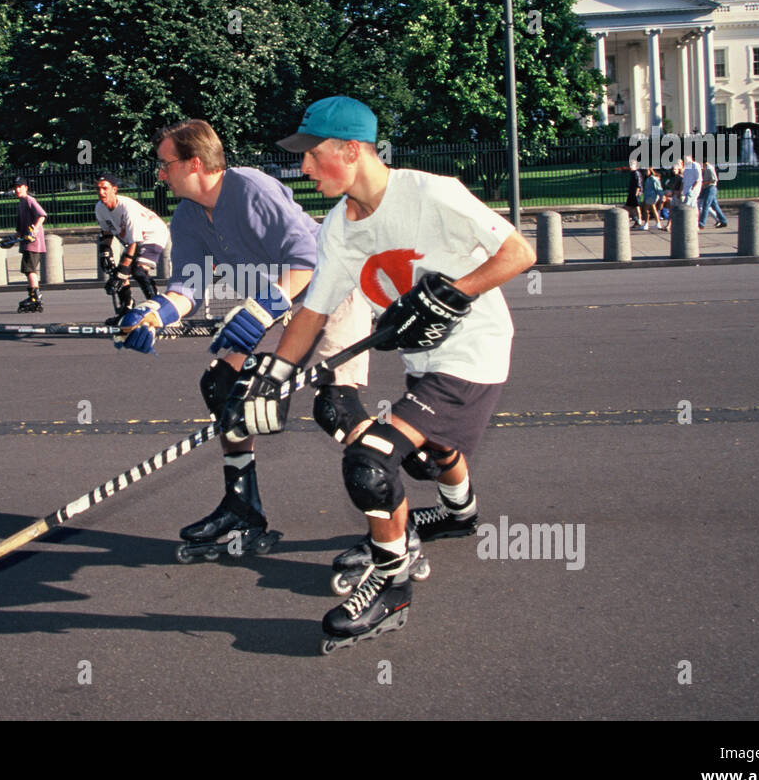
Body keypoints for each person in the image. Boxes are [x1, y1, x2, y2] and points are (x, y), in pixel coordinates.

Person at [220, 96, 536, 653]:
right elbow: (315, 311)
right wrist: (271, 375)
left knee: (370, 463)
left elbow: (519, 253)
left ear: (351, 150)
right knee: (429, 449)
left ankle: (391, 586)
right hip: (426, 359)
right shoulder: (340, 227)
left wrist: (455, 292)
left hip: (475, 352)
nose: (306, 168)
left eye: (314, 156)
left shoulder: (430, 193)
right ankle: (460, 513)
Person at [116, 117, 372, 563]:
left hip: (333, 292)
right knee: (221, 386)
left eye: (165, 163)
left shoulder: (252, 188)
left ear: (194, 163)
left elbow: (308, 259)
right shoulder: (189, 214)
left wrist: (259, 310)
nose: (160, 173)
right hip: (278, 301)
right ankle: (242, 509)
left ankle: (392, 522)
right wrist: (154, 315)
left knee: (336, 410)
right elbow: (188, 289)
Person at [94, 173, 170, 321]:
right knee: (116, 270)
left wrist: (122, 272)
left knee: (137, 270)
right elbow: (107, 232)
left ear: (114, 189)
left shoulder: (127, 208)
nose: (101, 192)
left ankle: (158, 307)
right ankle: (126, 307)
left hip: (152, 234)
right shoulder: (100, 208)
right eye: (98, 189)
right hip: (132, 239)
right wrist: (104, 251)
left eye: (105, 188)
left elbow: (134, 243)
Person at [12, 177, 47, 313]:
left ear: (26, 187)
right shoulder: (21, 204)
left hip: (34, 243)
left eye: (19, 186)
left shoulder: (29, 200)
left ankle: (35, 298)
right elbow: (20, 230)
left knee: (29, 269)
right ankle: (34, 296)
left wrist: (35, 230)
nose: (17, 189)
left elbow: (42, 215)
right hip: (26, 242)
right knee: (28, 270)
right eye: (15, 187)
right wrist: (10, 239)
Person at [697, 159, 728, 228]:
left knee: (706, 204)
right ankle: (723, 220)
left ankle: (702, 223)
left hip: (711, 188)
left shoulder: (709, 168)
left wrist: (703, 183)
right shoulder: (703, 169)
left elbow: (714, 180)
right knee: (715, 206)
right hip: (706, 188)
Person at [624, 162, 645, 227]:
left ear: (635, 166)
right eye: (630, 165)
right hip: (632, 192)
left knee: (636, 207)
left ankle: (639, 220)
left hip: (635, 193)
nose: (630, 166)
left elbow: (638, 184)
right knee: (628, 207)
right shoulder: (632, 173)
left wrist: (636, 193)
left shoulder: (636, 173)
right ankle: (636, 219)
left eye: (632, 165)